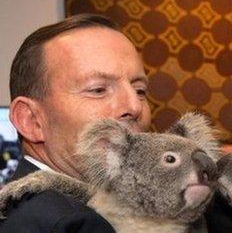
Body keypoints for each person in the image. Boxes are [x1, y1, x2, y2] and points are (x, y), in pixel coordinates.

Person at [1, 14, 151, 232]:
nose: (134, 106)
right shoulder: (73, 224)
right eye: (98, 90)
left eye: (140, 91)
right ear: (31, 121)